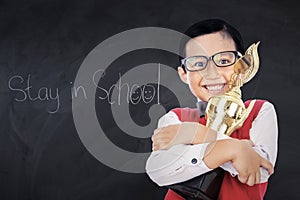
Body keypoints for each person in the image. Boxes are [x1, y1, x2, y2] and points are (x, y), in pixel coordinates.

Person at [145, 19, 278, 200]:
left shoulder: (259, 111)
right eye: (198, 64)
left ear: (242, 66)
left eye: (223, 60)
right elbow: (158, 169)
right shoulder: (176, 119)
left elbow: (259, 170)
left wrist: (198, 135)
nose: (212, 73)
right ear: (184, 74)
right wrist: (235, 149)